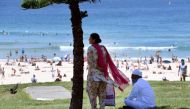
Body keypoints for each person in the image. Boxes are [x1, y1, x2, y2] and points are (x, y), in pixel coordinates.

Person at [87, 33, 129, 109]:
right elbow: (106, 61)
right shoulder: (103, 48)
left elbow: (90, 63)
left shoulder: (90, 48)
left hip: (93, 76)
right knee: (102, 97)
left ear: (93, 39)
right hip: (103, 76)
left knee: (92, 97)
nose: (88, 39)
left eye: (89, 38)